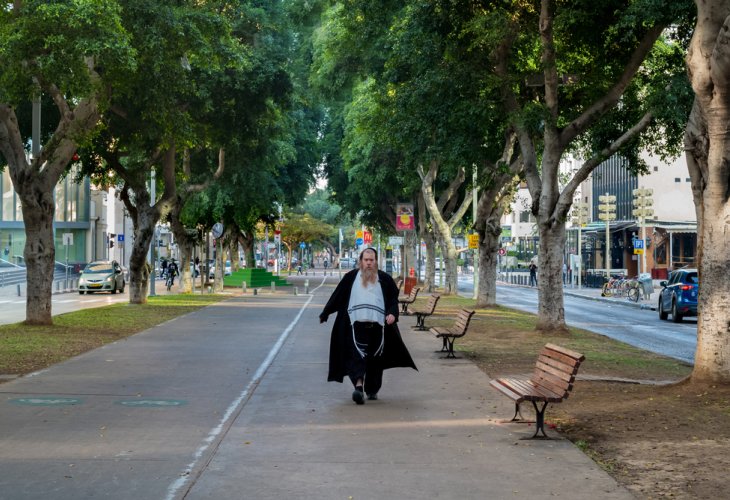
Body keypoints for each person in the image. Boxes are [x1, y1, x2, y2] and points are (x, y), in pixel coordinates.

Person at [319, 248, 417, 404]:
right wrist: (326, 313)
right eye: (366, 260)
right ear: (361, 261)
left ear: (376, 262)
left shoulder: (384, 279)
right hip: (355, 326)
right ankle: (358, 388)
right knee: (356, 356)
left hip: (378, 327)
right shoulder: (351, 278)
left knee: (375, 360)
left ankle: (371, 390)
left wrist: (393, 313)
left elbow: (393, 300)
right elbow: (338, 296)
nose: (369, 263)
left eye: (372, 260)